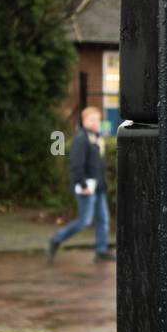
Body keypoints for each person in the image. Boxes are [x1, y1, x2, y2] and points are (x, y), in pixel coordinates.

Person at [47, 107, 115, 263]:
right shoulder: (81, 139)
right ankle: (56, 240)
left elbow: (98, 165)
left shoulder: (97, 138)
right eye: (92, 119)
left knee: (103, 219)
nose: (96, 122)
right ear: (84, 121)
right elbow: (76, 165)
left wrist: (103, 184)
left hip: (98, 188)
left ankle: (101, 251)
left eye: (98, 119)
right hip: (87, 188)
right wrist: (83, 184)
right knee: (84, 221)